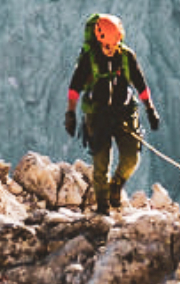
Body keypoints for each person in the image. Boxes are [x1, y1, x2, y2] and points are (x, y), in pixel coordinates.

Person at [64, 13, 160, 216]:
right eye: (108, 45)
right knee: (101, 163)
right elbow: (75, 87)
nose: (112, 48)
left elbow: (140, 84)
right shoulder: (89, 60)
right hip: (98, 116)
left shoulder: (126, 57)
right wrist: (70, 113)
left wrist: (150, 109)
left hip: (124, 113)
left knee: (131, 157)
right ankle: (102, 207)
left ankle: (116, 185)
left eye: (115, 44)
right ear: (99, 40)